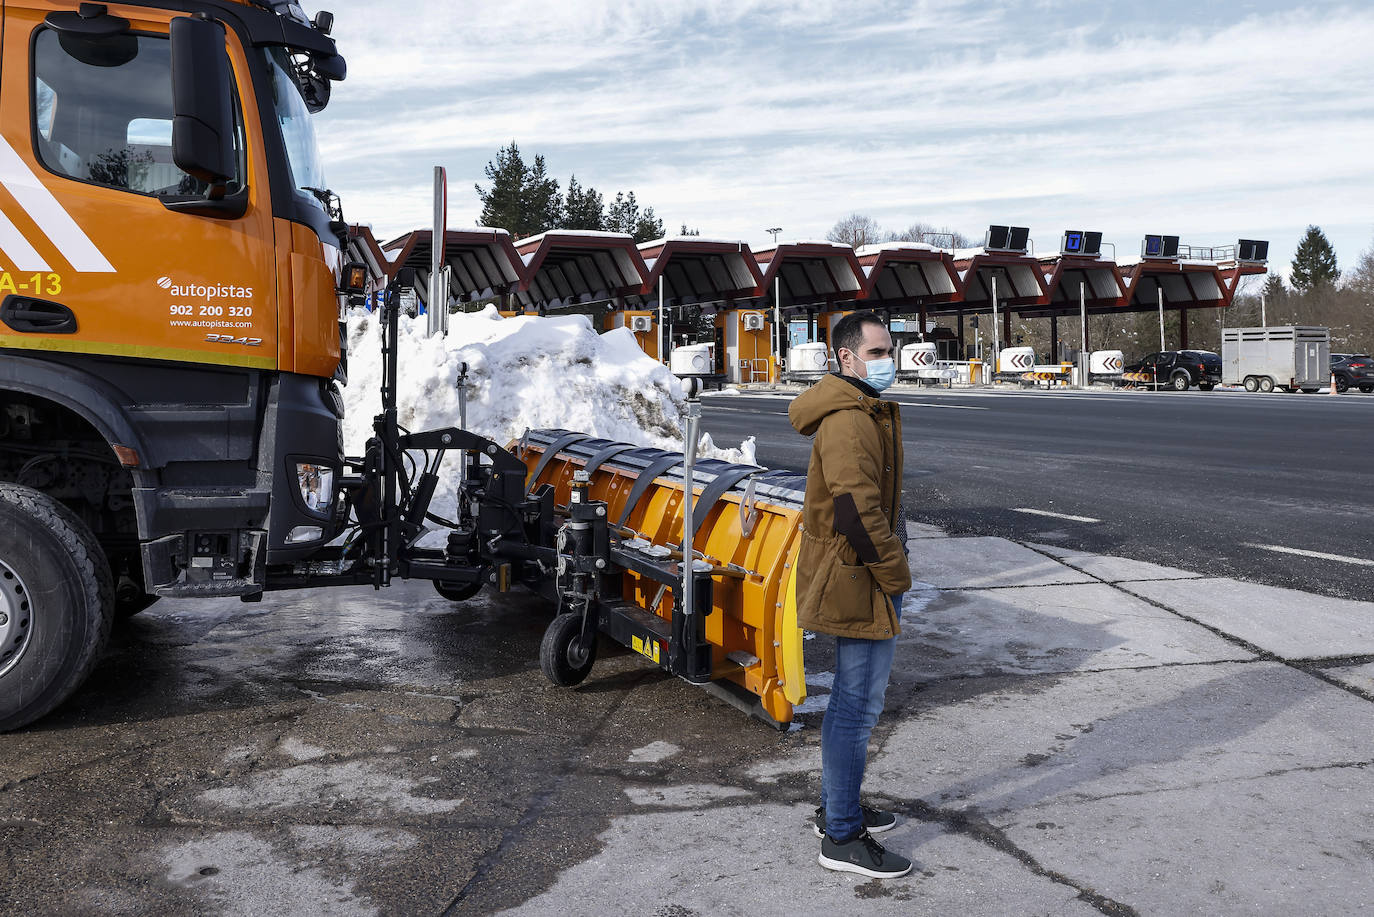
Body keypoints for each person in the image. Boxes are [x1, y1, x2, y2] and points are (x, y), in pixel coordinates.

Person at [788, 310, 912, 880]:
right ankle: (841, 834)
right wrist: (895, 574)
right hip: (860, 575)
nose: (890, 360)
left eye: (891, 349)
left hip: (861, 571)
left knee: (853, 701)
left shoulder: (864, 408)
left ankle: (839, 806)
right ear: (846, 358)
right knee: (856, 707)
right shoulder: (847, 419)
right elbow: (855, 511)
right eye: (879, 351)